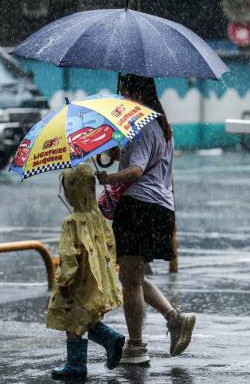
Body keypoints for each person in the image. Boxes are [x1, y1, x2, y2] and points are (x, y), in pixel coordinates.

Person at [96, 74, 196, 364]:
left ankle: (136, 347)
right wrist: (115, 151)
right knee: (133, 276)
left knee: (130, 281)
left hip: (139, 206)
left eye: (124, 90)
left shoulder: (141, 126)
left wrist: (109, 177)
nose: (122, 95)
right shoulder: (161, 124)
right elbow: (134, 159)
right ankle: (174, 318)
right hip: (159, 208)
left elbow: (137, 170)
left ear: (131, 90)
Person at [47, 165, 125, 379]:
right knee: (86, 316)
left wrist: (64, 281)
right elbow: (109, 245)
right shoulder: (97, 217)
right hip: (95, 279)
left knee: (73, 319)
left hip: (77, 282)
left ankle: (78, 364)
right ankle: (109, 340)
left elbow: (69, 256)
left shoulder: (71, 222)